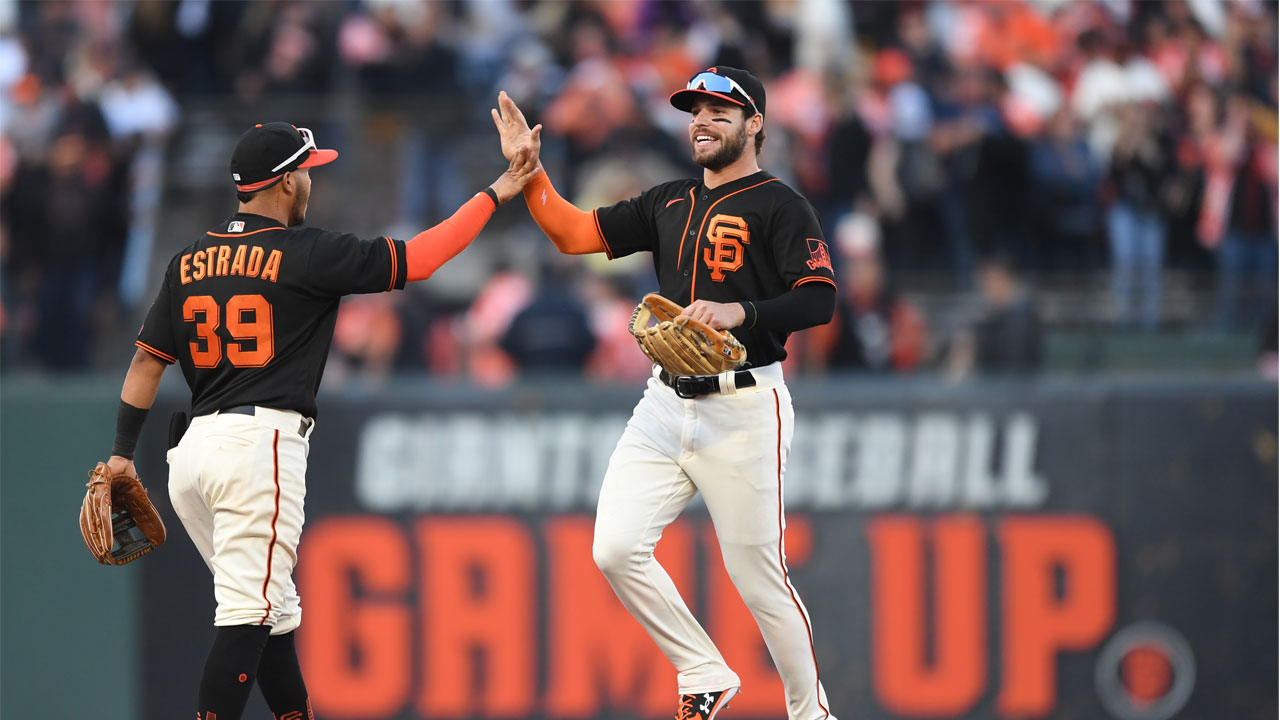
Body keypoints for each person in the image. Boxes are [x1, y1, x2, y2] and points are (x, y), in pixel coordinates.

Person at [100, 121, 539, 720]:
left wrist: (123, 451)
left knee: (271, 609)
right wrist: (498, 190)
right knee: (248, 615)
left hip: (193, 458)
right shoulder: (306, 253)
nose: (311, 181)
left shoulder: (187, 260)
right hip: (258, 450)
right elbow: (422, 259)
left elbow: (147, 364)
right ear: (283, 182)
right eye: (307, 171)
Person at [494, 67, 838, 720]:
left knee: (760, 582)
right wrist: (532, 172)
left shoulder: (782, 206)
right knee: (615, 548)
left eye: (720, 110)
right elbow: (571, 234)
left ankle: (811, 712)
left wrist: (741, 313)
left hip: (743, 404)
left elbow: (818, 299)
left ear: (755, 123)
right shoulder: (668, 201)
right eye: (695, 110)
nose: (703, 121)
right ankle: (703, 671)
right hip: (663, 402)